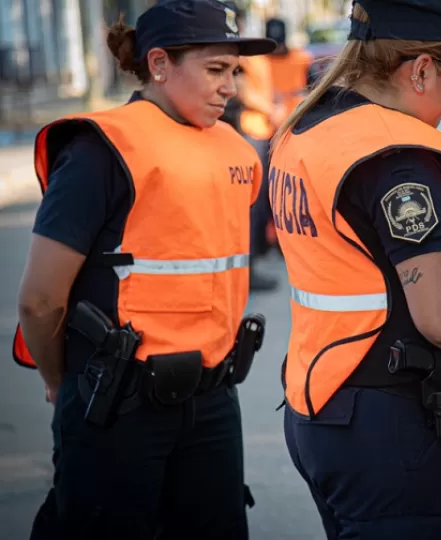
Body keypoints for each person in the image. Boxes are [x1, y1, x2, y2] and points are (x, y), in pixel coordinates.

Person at [270, 0, 441, 537]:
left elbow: (360, 266)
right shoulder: (400, 160)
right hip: (392, 428)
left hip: (324, 408)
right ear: (421, 70)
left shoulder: (312, 127)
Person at [12, 1, 275, 538]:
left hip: (212, 400)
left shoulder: (236, 150)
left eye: (234, 71)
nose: (230, 87)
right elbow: (40, 300)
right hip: (118, 407)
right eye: (215, 69)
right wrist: (62, 384)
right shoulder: (101, 149)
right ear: (159, 64)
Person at [233, 7, 281, 290]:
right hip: (251, 130)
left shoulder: (252, 53)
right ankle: (247, 270)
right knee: (250, 203)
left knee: (261, 201)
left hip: (262, 130)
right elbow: (242, 90)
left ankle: (257, 255)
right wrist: (271, 111)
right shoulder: (237, 56)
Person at [265, 17, 314, 128]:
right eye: (273, 46)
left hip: (296, 122)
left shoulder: (301, 58)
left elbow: (313, 87)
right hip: (264, 125)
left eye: (279, 44)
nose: (276, 49)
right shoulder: (258, 61)